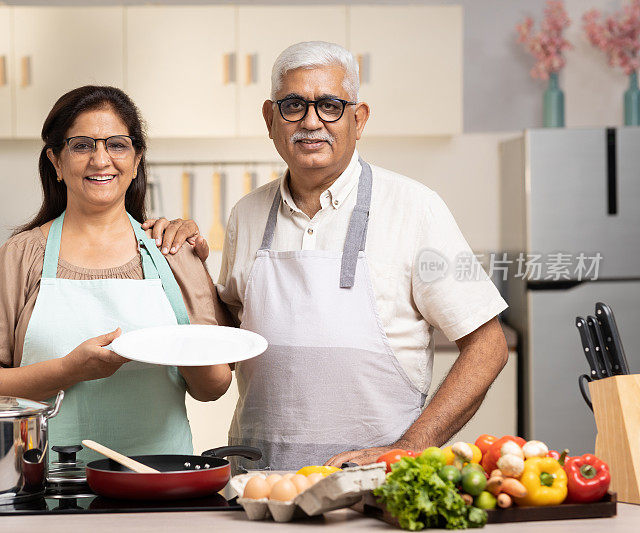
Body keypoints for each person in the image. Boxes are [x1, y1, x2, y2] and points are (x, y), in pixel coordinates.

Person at [217, 41, 509, 470]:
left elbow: (488, 346)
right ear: (270, 118)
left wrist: (412, 446)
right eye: (293, 105)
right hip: (261, 484)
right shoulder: (246, 213)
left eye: (331, 105)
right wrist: (185, 269)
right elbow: (230, 341)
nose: (311, 122)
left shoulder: (416, 207)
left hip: (377, 487)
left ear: (359, 118)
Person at [0, 85, 232, 461]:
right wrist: (68, 370)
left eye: (117, 145)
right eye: (83, 145)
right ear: (55, 160)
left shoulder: (173, 252)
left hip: (159, 486)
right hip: (46, 487)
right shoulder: (20, 256)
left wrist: (179, 346)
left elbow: (214, 386)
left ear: (136, 160)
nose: (101, 160)